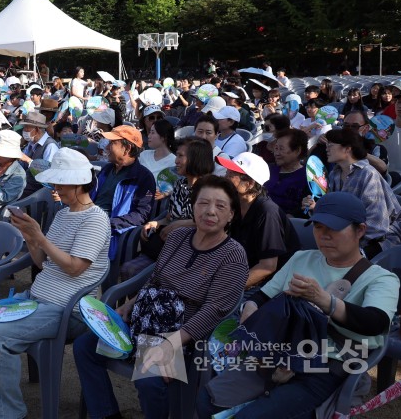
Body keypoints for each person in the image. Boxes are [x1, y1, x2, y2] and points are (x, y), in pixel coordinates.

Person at [0, 149, 111, 419]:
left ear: (78, 183)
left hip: (70, 310)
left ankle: (8, 413)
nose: (56, 188)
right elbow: (41, 263)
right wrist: (30, 237)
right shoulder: (63, 214)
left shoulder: (95, 219)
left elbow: (75, 268)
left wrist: (41, 237)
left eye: (61, 183)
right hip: (39, 300)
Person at [197, 192, 399, 419]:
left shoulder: (380, 278)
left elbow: (376, 322)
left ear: (360, 230)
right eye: (318, 227)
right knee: (207, 401)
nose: (324, 236)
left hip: (326, 366)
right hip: (276, 354)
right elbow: (261, 298)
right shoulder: (302, 258)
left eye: (334, 228)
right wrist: (251, 313)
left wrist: (324, 300)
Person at [74, 175, 249, 419]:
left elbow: (214, 311)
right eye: (203, 203)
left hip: (183, 334)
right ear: (193, 207)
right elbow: (156, 278)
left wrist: (170, 344)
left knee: (150, 381)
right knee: (85, 347)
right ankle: (106, 414)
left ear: (231, 214)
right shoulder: (178, 237)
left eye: (220, 206)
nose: (210, 211)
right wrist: (130, 305)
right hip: (145, 320)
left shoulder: (233, 255)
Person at [122, 137, 216, 279]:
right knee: (128, 269)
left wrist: (181, 224)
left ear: (195, 158)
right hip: (167, 244)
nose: (176, 161)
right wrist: (157, 223)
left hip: (192, 253)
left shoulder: (210, 190)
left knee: (146, 275)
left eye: (180, 156)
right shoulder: (180, 184)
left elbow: (213, 225)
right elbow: (170, 217)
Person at [303, 127, 401, 257]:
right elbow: (334, 212)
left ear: (347, 148)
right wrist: (316, 208)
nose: (327, 148)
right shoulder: (335, 174)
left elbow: (377, 225)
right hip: (344, 234)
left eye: (331, 145)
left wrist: (345, 240)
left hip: (377, 239)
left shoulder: (368, 174)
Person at [218, 152, 299, 291]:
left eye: (231, 175)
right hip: (241, 274)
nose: (224, 179)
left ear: (249, 184)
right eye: (227, 173)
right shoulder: (235, 204)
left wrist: (227, 289)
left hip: (270, 286)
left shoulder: (267, 212)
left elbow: (267, 267)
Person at [91, 125, 156, 231]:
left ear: (127, 149)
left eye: (112, 143)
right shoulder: (106, 170)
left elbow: (140, 215)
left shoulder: (143, 178)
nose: (106, 147)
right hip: (89, 220)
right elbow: (89, 196)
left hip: (110, 231)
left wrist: (108, 223)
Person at [264, 128, 310, 216]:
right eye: (276, 148)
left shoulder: (308, 178)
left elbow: (306, 210)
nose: (276, 153)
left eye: (281, 149)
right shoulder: (268, 170)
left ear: (297, 151)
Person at [137, 118, 177, 188]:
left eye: (152, 133)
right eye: (149, 132)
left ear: (163, 137)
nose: (149, 136)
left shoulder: (174, 162)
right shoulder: (144, 154)